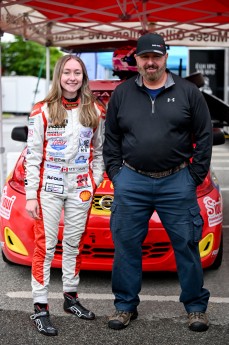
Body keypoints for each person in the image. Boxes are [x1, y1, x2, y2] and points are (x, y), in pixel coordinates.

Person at [103, 33, 212, 332]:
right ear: (136, 60)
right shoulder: (122, 94)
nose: (150, 62)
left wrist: (193, 176)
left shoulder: (189, 93)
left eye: (156, 56)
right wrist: (117, 175)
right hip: (132, 181)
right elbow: (110, 138)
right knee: (126, 246)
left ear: (165, 57)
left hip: (177, 181)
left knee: (187, 245)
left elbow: (204, 137)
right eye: (144, 57)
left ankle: (195, 308)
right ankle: (125, 307)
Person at [25, 55, 105, 336]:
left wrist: (93, 183)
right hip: (49, 184)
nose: (72, 78)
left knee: (73, 242)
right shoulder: (42, 110)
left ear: (83, 77)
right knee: (45, 247)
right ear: (59, 75)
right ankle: (40, 307)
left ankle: (71, 299)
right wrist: (31, 195)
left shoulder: (94, 110)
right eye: (67, 72)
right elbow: (32, 156)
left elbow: (100, 152)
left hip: (81, 185)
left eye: (78, 73)